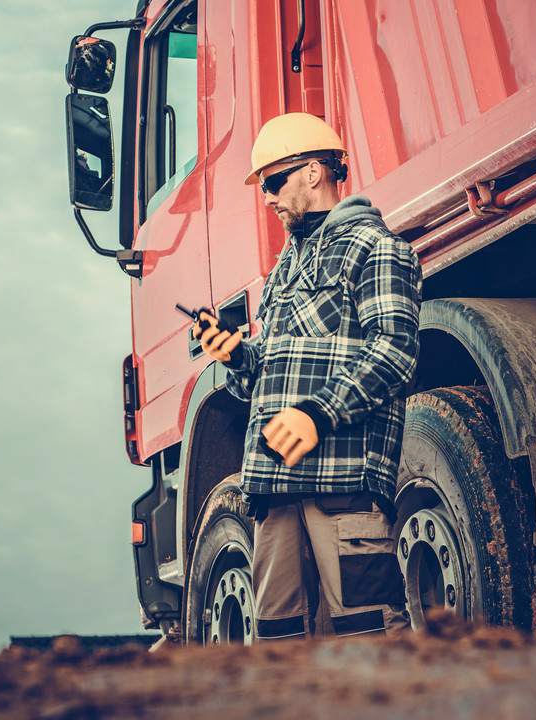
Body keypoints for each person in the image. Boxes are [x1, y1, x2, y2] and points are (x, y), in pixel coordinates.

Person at [191, 112, 422, 640]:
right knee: (278, 640)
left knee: (367, 633)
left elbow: (395, 353)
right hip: (274, 487)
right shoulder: (282, 273)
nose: (267, 198)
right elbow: (263, 379)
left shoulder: (377, 249)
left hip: (343, 483)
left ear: (314, 172)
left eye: (273, 182)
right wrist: (235, 356)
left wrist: (317, 415)